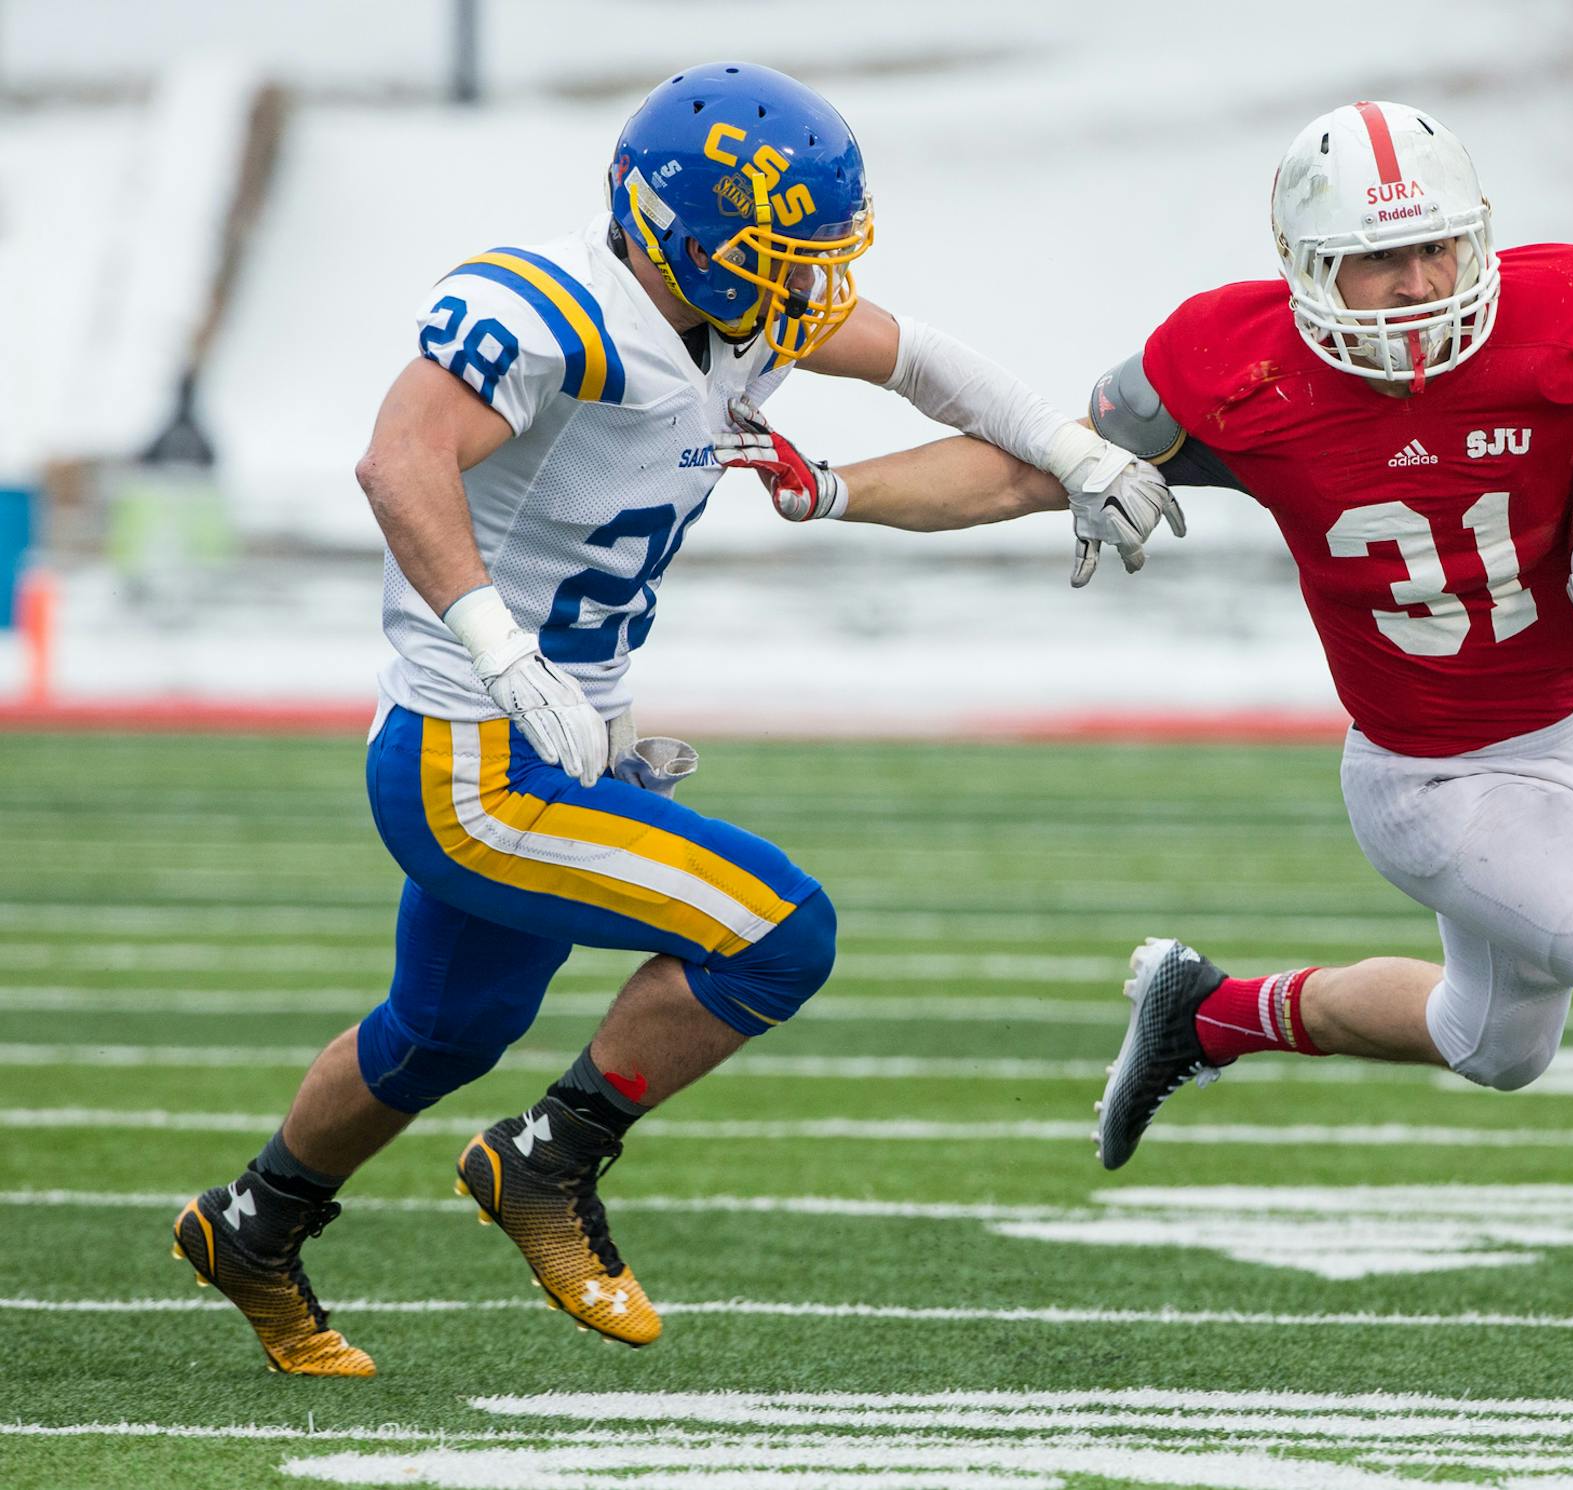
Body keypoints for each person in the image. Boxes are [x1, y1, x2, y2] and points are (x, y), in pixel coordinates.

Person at [756, 99, 1573, 1394]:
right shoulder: (1225, 365)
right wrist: (838, 489)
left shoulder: (1569, 313)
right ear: (1308, 266)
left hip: (1567, 729)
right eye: (1382, 258)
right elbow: (1030, 464)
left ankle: (1210, 1012)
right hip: (1432, 776)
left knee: (1496, 1043)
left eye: (1436, 249)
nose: (1419, 286)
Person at [168, 60, 1181, 1377]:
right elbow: (398, 454)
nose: (808, 284)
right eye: (782, 252)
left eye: (816, 254)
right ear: (677, 230)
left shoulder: (742, 307)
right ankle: (546, 1162)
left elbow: (921, 358)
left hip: (562, 734)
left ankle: (252, 1223)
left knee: (445, 1027)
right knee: (779, 930)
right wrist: (494, 640)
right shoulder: (561, 310)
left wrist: (1072, 447)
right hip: (467, 760)